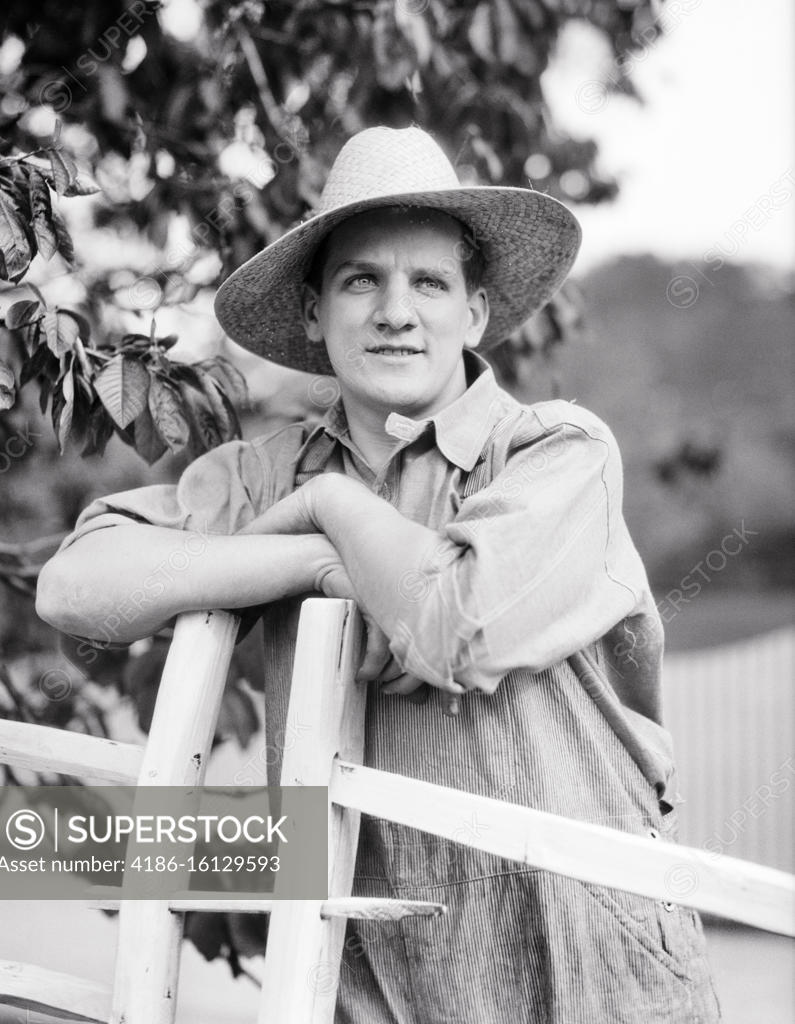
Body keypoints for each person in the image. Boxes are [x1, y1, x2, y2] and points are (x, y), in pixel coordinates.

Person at [36, 126, 721, 1023]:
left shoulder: (555, 453)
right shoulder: (259, 475)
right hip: (371, 976)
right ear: (317, 314)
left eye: (428, 282)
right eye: (361, 279)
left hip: (584, 963)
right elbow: (74, 588)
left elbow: (452, 629)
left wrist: (333, 509)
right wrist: (320, 565)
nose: (396, 311)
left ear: (474, 313)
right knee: (23, 841)